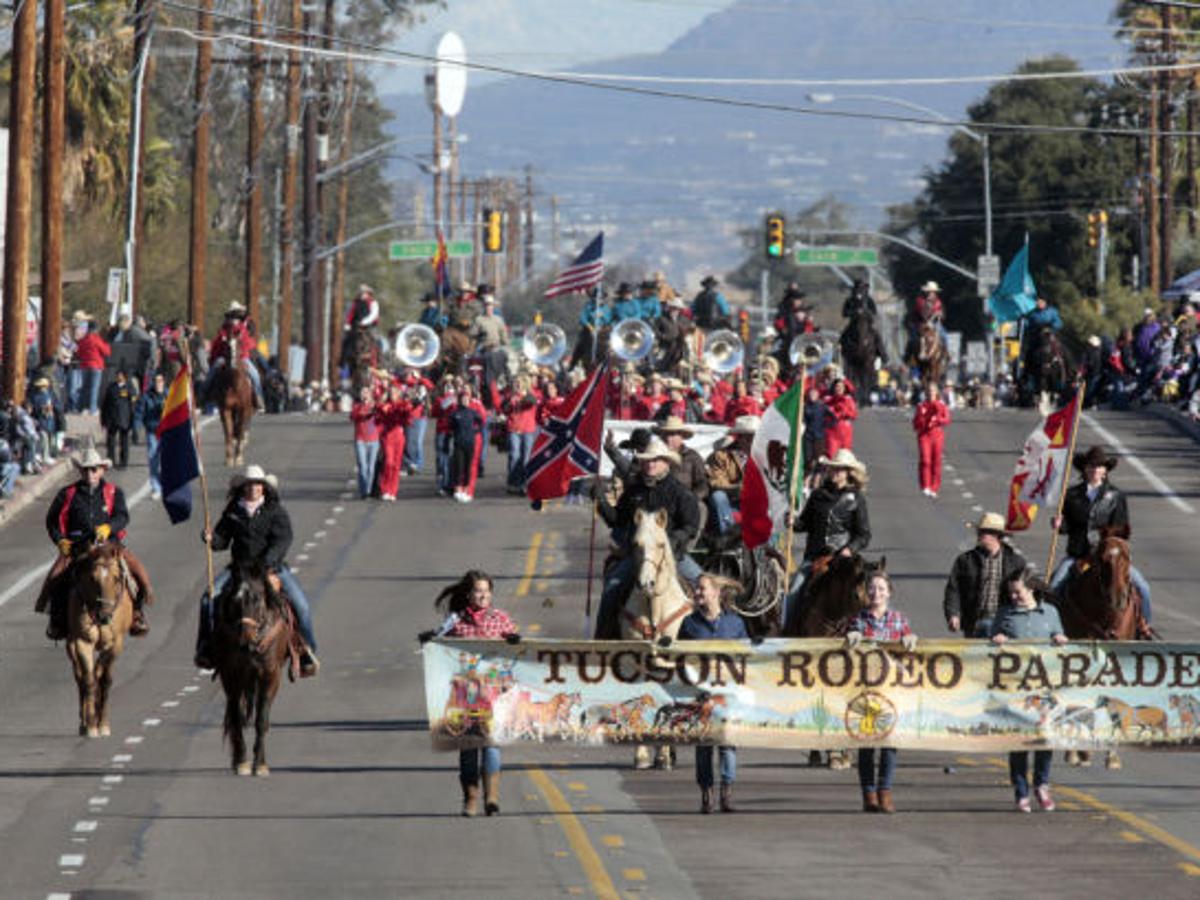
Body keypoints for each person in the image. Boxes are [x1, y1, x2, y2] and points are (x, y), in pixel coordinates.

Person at [196, 465, 319, 676]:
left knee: (302, 605)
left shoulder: (275, 511)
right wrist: (211, 538)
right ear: (243, 488)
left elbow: (283, 540)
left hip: (271, 569)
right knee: (208, 599)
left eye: (257, 485)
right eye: (250, 485)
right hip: (239, 569)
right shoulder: (233, 510)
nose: (254, 488)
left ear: (264, 488)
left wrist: (266, 564)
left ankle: (306, 650)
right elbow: (221, 541)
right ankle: (206, 647)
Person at [421, 570, 518, 816]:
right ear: (468, 595)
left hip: (494, 696)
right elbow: (439, 641)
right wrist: (429, 639)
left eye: (487, 591)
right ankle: (470, 798)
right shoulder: (456, 621)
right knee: (468, 750)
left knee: (492, 746)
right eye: (478, 591)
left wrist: (515, 641)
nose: (483, 595)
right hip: (464, 697)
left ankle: (492, 797)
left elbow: (516, 650)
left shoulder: (501, 619)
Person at [36, 447, 155, 639]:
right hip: (78, 547)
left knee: (137, 571)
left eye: (94, 469)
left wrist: (110, 527)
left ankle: (137, 614)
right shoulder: (67, 494)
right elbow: (51, 521)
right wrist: (60, 541)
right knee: (55, 579)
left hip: (110, 547)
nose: (90, 473)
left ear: (102, 470)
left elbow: (122, 516)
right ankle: (57, 620)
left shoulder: (114, 492)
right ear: (80, 471)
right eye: (86, 469)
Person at [595, 438, 702, 639]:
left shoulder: (680, 493)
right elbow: (617, 519)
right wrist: (601, 500)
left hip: (673, 555)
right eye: (647, 460)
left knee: (705, 586)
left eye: (656, 460)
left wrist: (672, 539)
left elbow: (691, 526)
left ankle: (713, 638)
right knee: (612, 586)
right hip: (636, 555)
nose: (651, 464)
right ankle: (602, 639)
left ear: (666, 462)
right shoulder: (634, 490)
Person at [990, 566, 1067, 812]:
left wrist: (1060, 640)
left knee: (1044, 737)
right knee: (1020, 740)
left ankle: (1042, 784)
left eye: (1018, 592)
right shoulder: (1005, 614)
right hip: (1017, 687)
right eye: (1011, 593)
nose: (1014, 597)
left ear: (1031, 589)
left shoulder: (1050, 613)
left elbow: (1060, 637)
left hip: (1045, 687)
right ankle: (1021, 789)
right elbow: (990, 646)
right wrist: (998, 640)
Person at [1049, 446, 1152, 622]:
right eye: (1091, 466)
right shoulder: (1071, 495)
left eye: (1099, 466)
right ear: (1084, 469)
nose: (1095, 470)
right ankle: (1052, 625)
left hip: (1107, 556)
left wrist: (1107, 544)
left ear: (1105, 471)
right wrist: (1059, 524)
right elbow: (1067, 527)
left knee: (1142, 587)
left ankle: (1144, 626)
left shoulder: (1116, 496)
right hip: (1078, 555)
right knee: (1054, 585)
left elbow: (1121, 529)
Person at [843, 570, 917, 813]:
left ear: (889, 592)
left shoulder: (897, 619)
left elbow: (910, 647)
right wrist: (851, 637)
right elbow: (846, 649)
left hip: (891, 690)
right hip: (865, 689)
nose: (877, 593)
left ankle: (885, 790)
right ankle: (868, 793)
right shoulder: (859, 620)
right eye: (872, 588)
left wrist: (910, 640)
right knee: (866, 744)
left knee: (890, 742)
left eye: (882, 589)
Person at [677, 573, 747, 813]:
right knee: (704, 744)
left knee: (727, 742)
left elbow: (747, 658)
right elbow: (679, 658)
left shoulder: (735, 624)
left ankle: (727, 791)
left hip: (728, 694)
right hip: (702, 695)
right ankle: (706, 793)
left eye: (702, 589)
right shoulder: (689, 624)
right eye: (697, 589)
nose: (697, 593)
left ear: (716, 593)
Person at [783, 449, 872, 632]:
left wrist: (850, 549)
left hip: (843, 561)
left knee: (867, 591)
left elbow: (864, 535)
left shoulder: (857, 498)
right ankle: (787, 631)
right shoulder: (818, 495)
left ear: (848, 473)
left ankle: (867, 630)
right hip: (815, 558)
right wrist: (793, 521)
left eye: (839, 470)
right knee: (793, 590)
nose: (834, 473)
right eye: (832, 469)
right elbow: (804, 524)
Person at [943, 512, 1027, 638]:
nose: (979, 535)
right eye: (979, 532)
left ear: (996, 536)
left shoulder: (1016, 562)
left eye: (983, 532)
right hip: (974, 622)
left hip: (1004, 623)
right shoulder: (965, 560)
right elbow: (953, 590)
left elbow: (1026, 592)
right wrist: (953, 614)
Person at [705, 416, 758, 535]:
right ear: (739, 437)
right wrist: (737, 488)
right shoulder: (721, 456)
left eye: (754, 436)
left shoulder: (765, 456)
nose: (751, 440)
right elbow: (716, 481)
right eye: (747, 437)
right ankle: (729, 536)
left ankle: (771, 542)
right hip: (731, 500)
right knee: (718, 496)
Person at [207, 302, 263, 409]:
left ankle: (258, 397)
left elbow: (249, 343)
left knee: (255, 374)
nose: (235, 318)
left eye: (237, 315)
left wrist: (242, 350)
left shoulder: (245, 328)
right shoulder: (224, 328)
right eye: (233, 315)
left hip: (242, 357)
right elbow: (218, 341)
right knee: (213, 370)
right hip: (225, 356)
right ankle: (206, 394)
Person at [653, 416, 709, 500]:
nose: (668, 438)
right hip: (657, 499)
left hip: (686, 500)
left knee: (700, 509)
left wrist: (691, 498)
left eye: (673, 435)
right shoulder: (652, 454)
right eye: (666, 434)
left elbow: (703, 484)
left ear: (681, 436)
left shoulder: (692, 456)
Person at [503, 375, 540, 494]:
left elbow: (531, 402)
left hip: (528, 429)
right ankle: (514, 483)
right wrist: (509, 404)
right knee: (514, 455)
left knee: (526, 458)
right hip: (514, 429)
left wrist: (521, 398)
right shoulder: (510, 397)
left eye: (519, 384)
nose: (517, 386)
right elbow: (504, 409)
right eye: (515, 384)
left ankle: (526, 483)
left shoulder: (530, 395)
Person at [912, 386, 951, 498]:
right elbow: (915, 423)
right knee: (925, 460)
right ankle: (925, 486)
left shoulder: (941, 405)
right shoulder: (921, 406)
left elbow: (947, 419)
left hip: (937, 435)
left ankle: (934, 487)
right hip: (924, 435)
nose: (930, 393)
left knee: (936, 461)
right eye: (928, 391)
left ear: (936, 393)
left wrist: (937, 420)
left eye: (933, 391)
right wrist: (922, 420)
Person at [449, 386, 486, 503]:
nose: (465, 399)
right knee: (458, 465)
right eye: (463, 395)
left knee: (470, 466)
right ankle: (458, 489)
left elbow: (482, 420)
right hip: (459, 441)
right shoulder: (455, 410)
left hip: (472, 440)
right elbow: (451, 425)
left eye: (467, 393)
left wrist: (475, 431)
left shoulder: (475, 407)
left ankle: (468, 489)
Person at [376, 381, 411, 502]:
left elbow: (408, 418)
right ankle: (385, 488)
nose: (393, 394)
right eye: (391, 392)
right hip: (388, 436)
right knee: (388, 462)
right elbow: (379, 413)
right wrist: (383, 400)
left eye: (395, 392)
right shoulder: (385, 405)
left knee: (396, 465)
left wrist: (408, 408)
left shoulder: (402, 405)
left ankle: (392, 490)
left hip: (399, 436)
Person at [138, 372, 167, 499]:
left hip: (167, 431)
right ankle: (156, 487)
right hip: (152, 431)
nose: (158, 384)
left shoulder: (169, 394)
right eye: (156, 381)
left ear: (164, 382)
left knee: (167, 460)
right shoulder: (146, 396)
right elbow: (140, 412)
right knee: (153, 459)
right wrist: (136, 427)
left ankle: (166, 485)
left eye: (160, 381)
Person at [350, 384, 381, 500]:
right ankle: (364, 491)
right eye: (362, 393)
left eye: (366, 392)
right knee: (363, 466)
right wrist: (365, 409)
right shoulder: (357, 406)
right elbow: (354, 416)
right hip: (360, 440)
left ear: (371, 394)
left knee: (371, 468)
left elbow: (382, 416)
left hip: (374, 440)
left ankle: (367, 490)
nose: (364, 395)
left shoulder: (376, 406)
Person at [101, 369, 136, 469]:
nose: (118, 377)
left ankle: (123, 462)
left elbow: (133, 405)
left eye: (120, 375)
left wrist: (132, 421)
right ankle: (110, 460)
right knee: (110, 442)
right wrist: (103, 420)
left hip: (124, 419)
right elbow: (105, 404)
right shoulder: (111, 387)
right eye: (117, 375)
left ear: (124, 376)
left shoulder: (129, 388)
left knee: (124, 442)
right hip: (112, 419)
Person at [75, 318, 110, 415]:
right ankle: (92, 408)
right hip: (96, 365)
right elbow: (106, 352)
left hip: (85, 365)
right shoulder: (97, 339)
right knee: (94, 388)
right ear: (96, 329)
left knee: (84, 388)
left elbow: (78, 353)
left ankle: (82, 408)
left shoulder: (83, 340)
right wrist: (107, 344)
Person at [823, 378, 858, 457]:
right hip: (831, 432)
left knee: (844, 456)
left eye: (841, 387)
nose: (839, 389)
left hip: (845, 432)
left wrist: (843, 413)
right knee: (831, 454)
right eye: (837, 386)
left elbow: (854, 414)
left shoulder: (848, 400)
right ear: (834, 388)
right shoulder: (828, 400)